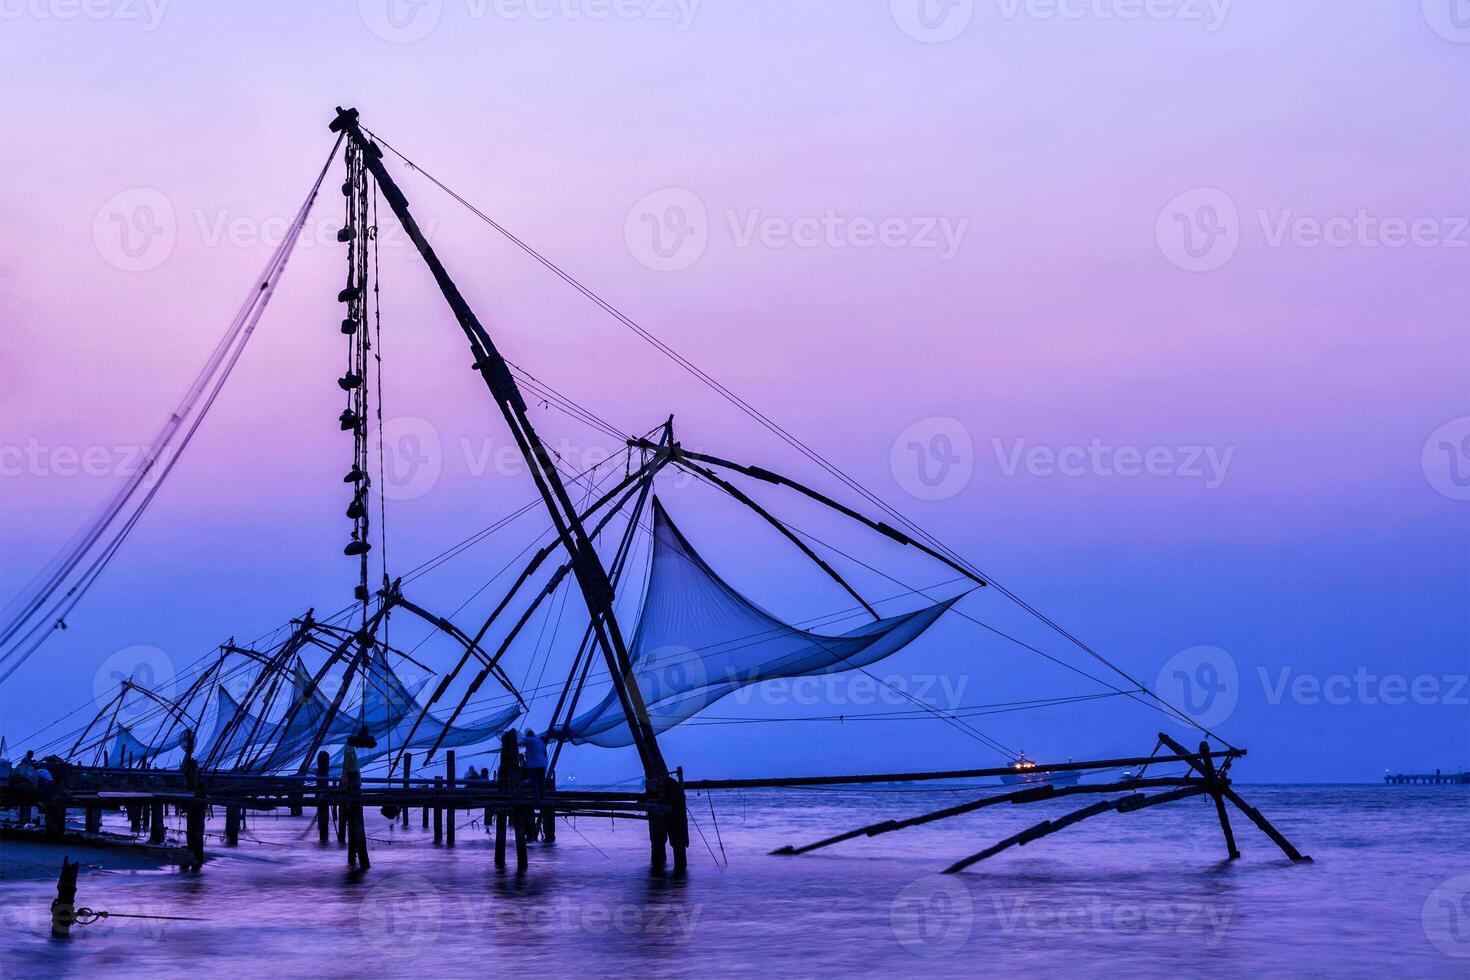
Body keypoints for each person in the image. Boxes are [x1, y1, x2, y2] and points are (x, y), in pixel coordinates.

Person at [521, 729, 548, 802]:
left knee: (534, 781)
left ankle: (536, 799)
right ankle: (542, 796)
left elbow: (521, 739)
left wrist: (515, 733)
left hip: (534, 765)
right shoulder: (540, 741)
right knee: (541, 782)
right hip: (542, 765)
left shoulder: (530, 739)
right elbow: (543, 752)